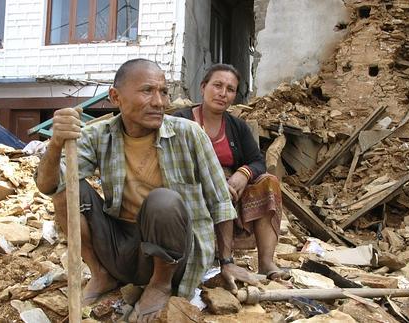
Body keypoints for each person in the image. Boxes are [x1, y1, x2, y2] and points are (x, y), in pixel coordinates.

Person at [35, 59, 258, 322]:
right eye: (147, 91)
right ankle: (100, 274)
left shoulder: (188, 134)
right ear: (116, 97)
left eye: (163, 92)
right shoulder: (99, 135)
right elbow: (48, 185)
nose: (159, 102)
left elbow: (220, 200)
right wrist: (56, 143)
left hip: (174, 255)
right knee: (68, 189)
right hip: (122, 248)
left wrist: (227, 261)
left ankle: (159, 285)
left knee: (163, 201)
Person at [173, 63, 289, 280]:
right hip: (191, 188)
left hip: (230, 191)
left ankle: (265, 262)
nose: (222, 93)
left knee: (269, 182)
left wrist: (243, 174)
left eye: (230, 89)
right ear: (203, 87)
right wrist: (214, 181)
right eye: (217, 85)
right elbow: (174, 162)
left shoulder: (237, 126)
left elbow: (257, 160)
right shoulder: (181, 121)